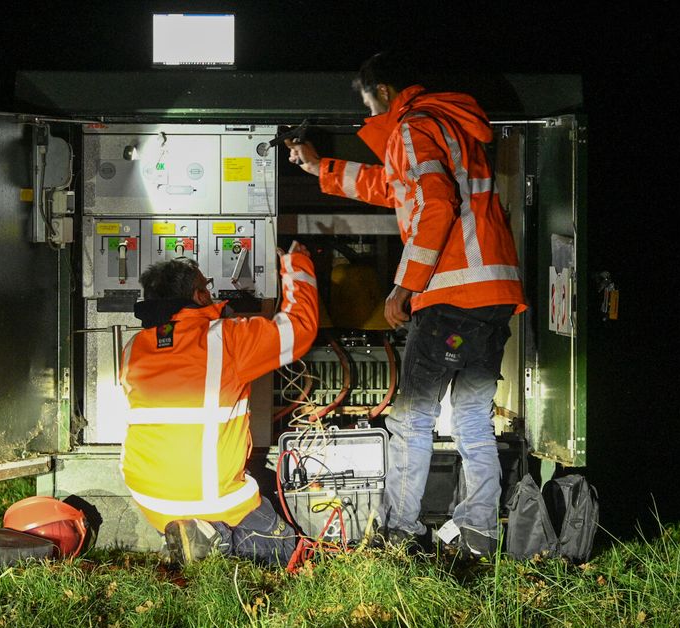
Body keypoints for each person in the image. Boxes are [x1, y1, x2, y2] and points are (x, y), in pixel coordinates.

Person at [286, 51, 526, 560]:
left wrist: (403, 287)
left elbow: (434, 204)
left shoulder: (414, 126)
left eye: (368, 102)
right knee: (472, 419)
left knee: (413, 419)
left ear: (385, 91)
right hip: (493, 297)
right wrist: (320, 167)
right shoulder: (451, 125)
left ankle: (398, 533)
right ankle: (479, 534)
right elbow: (394, 187)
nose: (368, 113)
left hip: (452, 298)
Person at [118, 243, 318, 566]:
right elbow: (299, 329)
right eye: (207, 287)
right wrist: (297, 265)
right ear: (199, 296)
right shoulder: (226, 339)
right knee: (285, 548)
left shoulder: (133, 347)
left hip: (152, 500)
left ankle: (192, 536)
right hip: (210, 498)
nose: (211, 294)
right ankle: (215, 538)